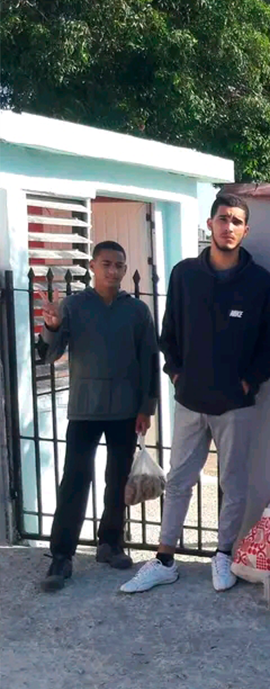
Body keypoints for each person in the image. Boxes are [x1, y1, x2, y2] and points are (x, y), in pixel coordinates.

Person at [121, 193, 270, 594]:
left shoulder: (260, 282)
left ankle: (223, 555)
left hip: (236, 404)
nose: (228, 227)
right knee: (178, 480)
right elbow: (169, 333)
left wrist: (250, 381)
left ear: (246, 230)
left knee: (233, 481)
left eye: (237, 221)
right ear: (209, 224)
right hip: (190, 400)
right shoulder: (184, 275)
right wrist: (176, 374)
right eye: (222, 219)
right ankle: (163, 559)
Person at [40, 241, 158, 591]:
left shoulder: (137, 312)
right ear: (92, 266)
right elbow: (50, 354)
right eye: (106, 264)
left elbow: (149, 360)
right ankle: (61, 557)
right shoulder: (73, 307)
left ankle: (111, 542)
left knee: (118, 479)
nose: (113, 271)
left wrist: (146, 408)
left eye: (119, 265)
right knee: (75, 481)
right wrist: (51, 326)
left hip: (125, 409)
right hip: (85, 409)